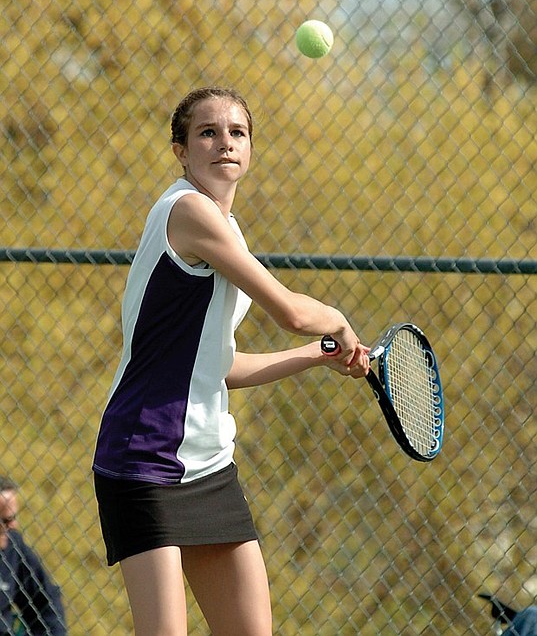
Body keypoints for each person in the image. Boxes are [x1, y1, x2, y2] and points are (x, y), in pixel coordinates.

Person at [92, 86, 371, 636]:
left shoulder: (228, 228)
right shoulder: (188, 211)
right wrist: (337, 322)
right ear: (181, 151)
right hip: (144, 457)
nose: (225, 143)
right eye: (207, 132)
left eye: (237, 133)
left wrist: (319, 355)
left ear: (250, 149)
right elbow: (291, 312)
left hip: (210, 463)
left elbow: (218, 367)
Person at [0, 476, 67, 636]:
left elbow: (45, 600)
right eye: (6, 520)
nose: (14, 525)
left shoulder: (12, 546)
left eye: (14, 518)